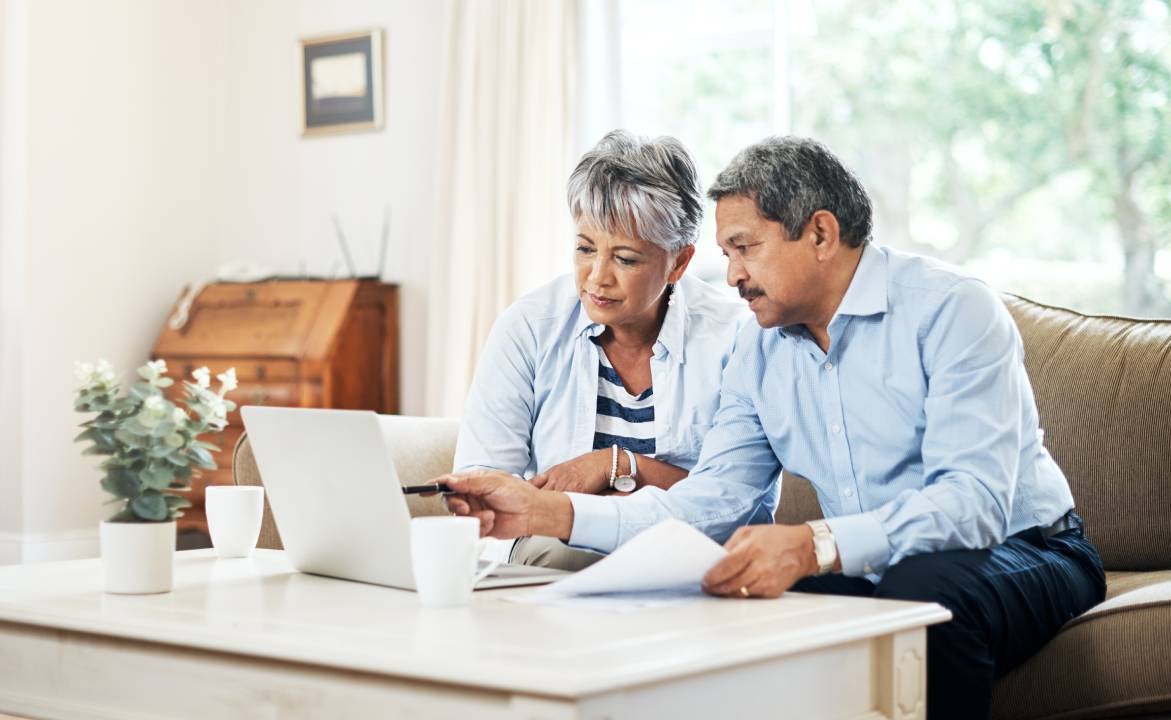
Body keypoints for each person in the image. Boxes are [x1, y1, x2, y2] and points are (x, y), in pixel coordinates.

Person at [437, 136, 1107, 719]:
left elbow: (974, 506)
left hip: (1030, 547)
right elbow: (711, 504)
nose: (729, 276)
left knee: (921, 599)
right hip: (882, 561)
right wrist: (548, 510)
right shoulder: (757, 348)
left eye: (744, 249)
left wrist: (812, 546)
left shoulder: (953, 311)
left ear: (819, 234)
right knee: (739, 613)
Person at [452, 130, 748, 571]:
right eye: (585, 249)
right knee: (560, 555)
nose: (597, 277)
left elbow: (738, 504)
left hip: (684, 559)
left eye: (625, 258)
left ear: (679, 263)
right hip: (554, 558)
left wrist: (617, 465)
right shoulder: (530, 326)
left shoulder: (734, 339)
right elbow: (483, 482)